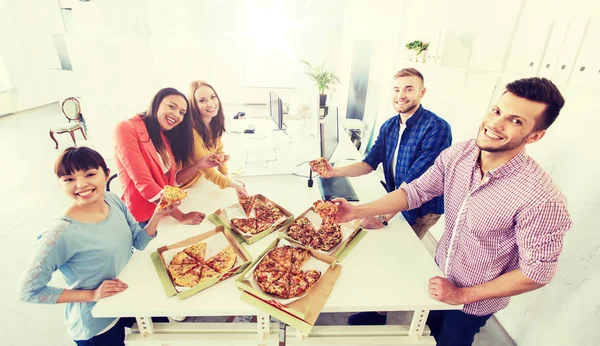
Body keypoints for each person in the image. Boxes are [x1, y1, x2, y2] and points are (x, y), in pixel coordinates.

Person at [332, 77, 573, 345]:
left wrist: (461, 295)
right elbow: (414, 192)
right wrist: (355, 211)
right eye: (496, 111)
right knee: (426, 334)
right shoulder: (461, 154)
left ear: (536, 135)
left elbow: (537, 272)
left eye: (516, 121)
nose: (495, 124)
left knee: (450, 340)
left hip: (473, 302)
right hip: (438, 275)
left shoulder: (542, 199)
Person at [17, 146, 179, 346]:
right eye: (69, 179)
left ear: (107, 174)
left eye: (90, 174)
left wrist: (158, 215)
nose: (81, 184)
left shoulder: (112, 200)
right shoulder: (58, 235)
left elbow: (138, 241)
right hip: (96, 322)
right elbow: (29, 291)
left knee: (167, 335)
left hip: (126, 298)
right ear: (60, 184)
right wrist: (92, 294)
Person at [314, 68, 451, 239]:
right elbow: (368, 164)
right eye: (396, 89)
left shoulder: (437, 128)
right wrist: (334, 172)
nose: (401, 95)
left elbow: (414, 186)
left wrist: (383, 217)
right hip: (397, 197)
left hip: (422, 210)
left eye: (409, 89)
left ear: (422, 92)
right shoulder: (389, 126)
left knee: (398, 247)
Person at [114, 87, 220, 226]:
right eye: (172, 106)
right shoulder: (125, 128)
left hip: (165, 212)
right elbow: (145, 184)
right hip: (143, 219)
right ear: (156, 103)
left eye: (182, 112)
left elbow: (171, 181)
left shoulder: (163, 134)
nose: (177, 115)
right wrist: (181, 216)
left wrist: (199, 164)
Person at [180, 80, 247, 197]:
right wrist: (233, 184)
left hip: (201, 180)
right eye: (202, 100)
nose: (210, 104)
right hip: (188, 186)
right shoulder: (191, 133)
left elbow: (220, 154)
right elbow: (209, 172)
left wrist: (228, 178)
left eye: (212, 97)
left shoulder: (213, 123)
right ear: (193, 105)